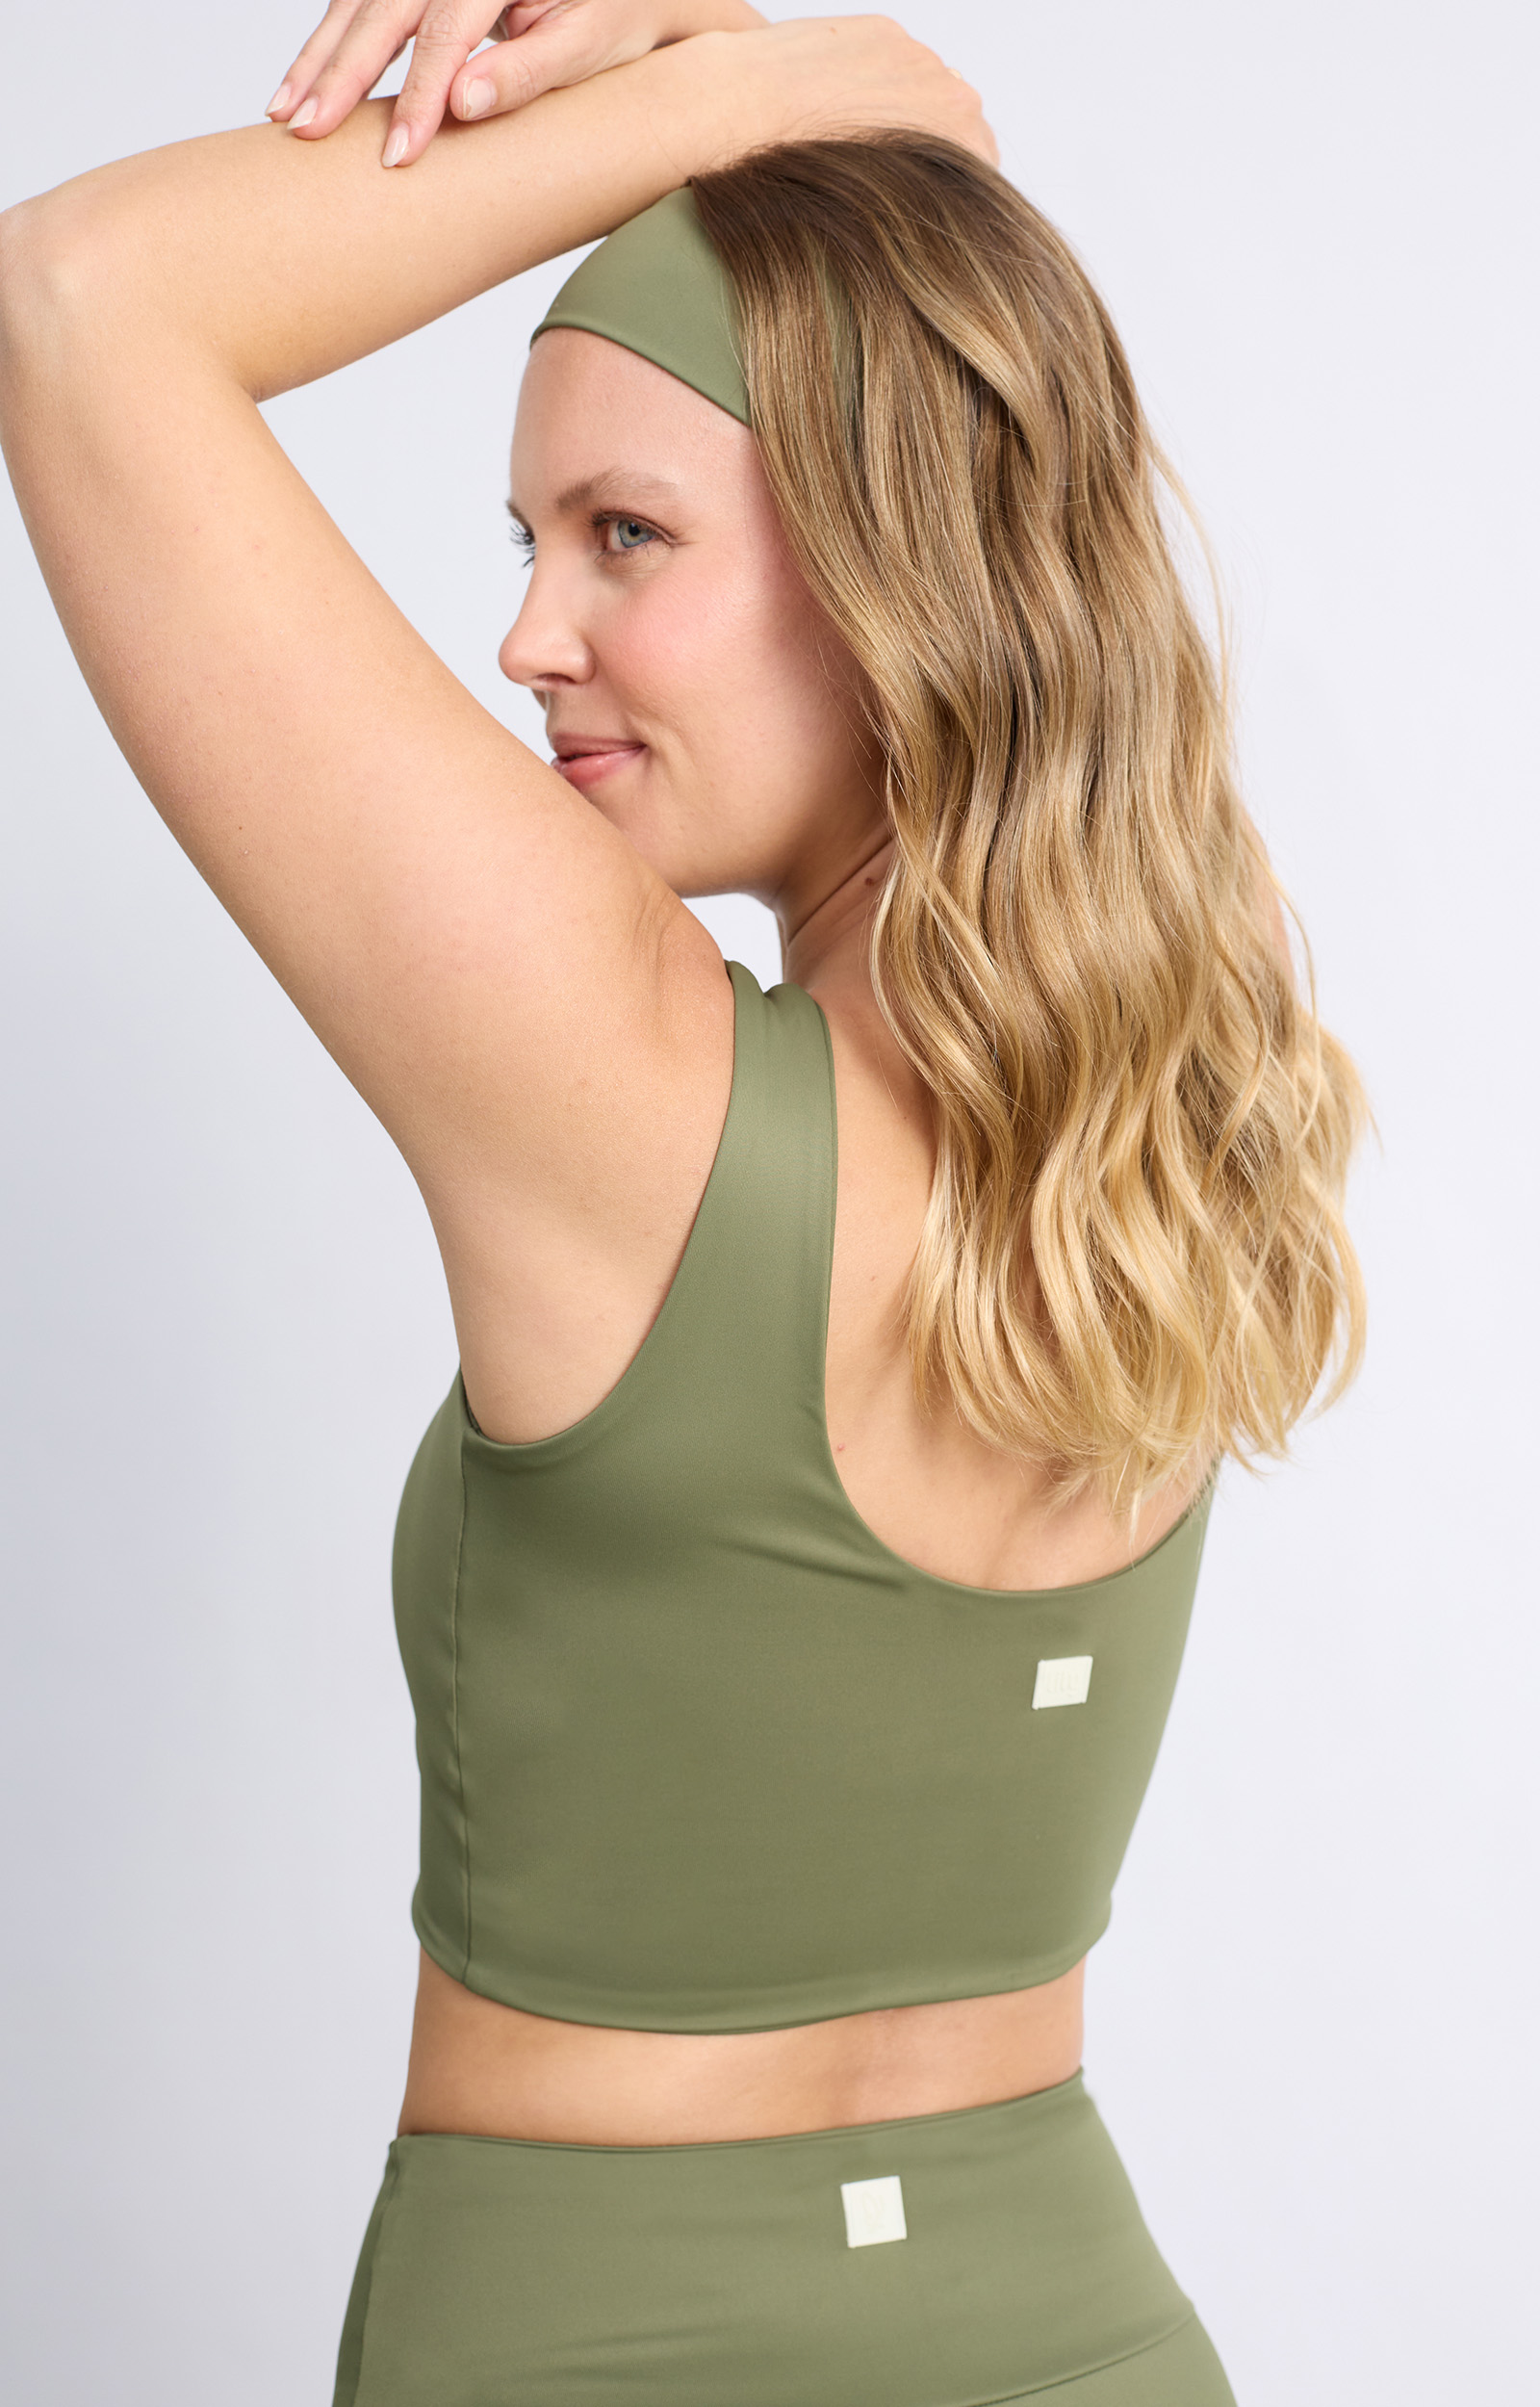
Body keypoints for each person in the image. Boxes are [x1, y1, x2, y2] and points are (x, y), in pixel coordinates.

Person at [0, 5, 1366, 2399]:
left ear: (885, 552)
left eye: (620, 534)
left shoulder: (626, 1092)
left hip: (588, 2339)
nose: (529, 635)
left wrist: (723, 98)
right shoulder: (1174, 1083)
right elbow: (945, 206)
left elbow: (79, 303)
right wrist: (794, 87)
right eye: (527, 541)